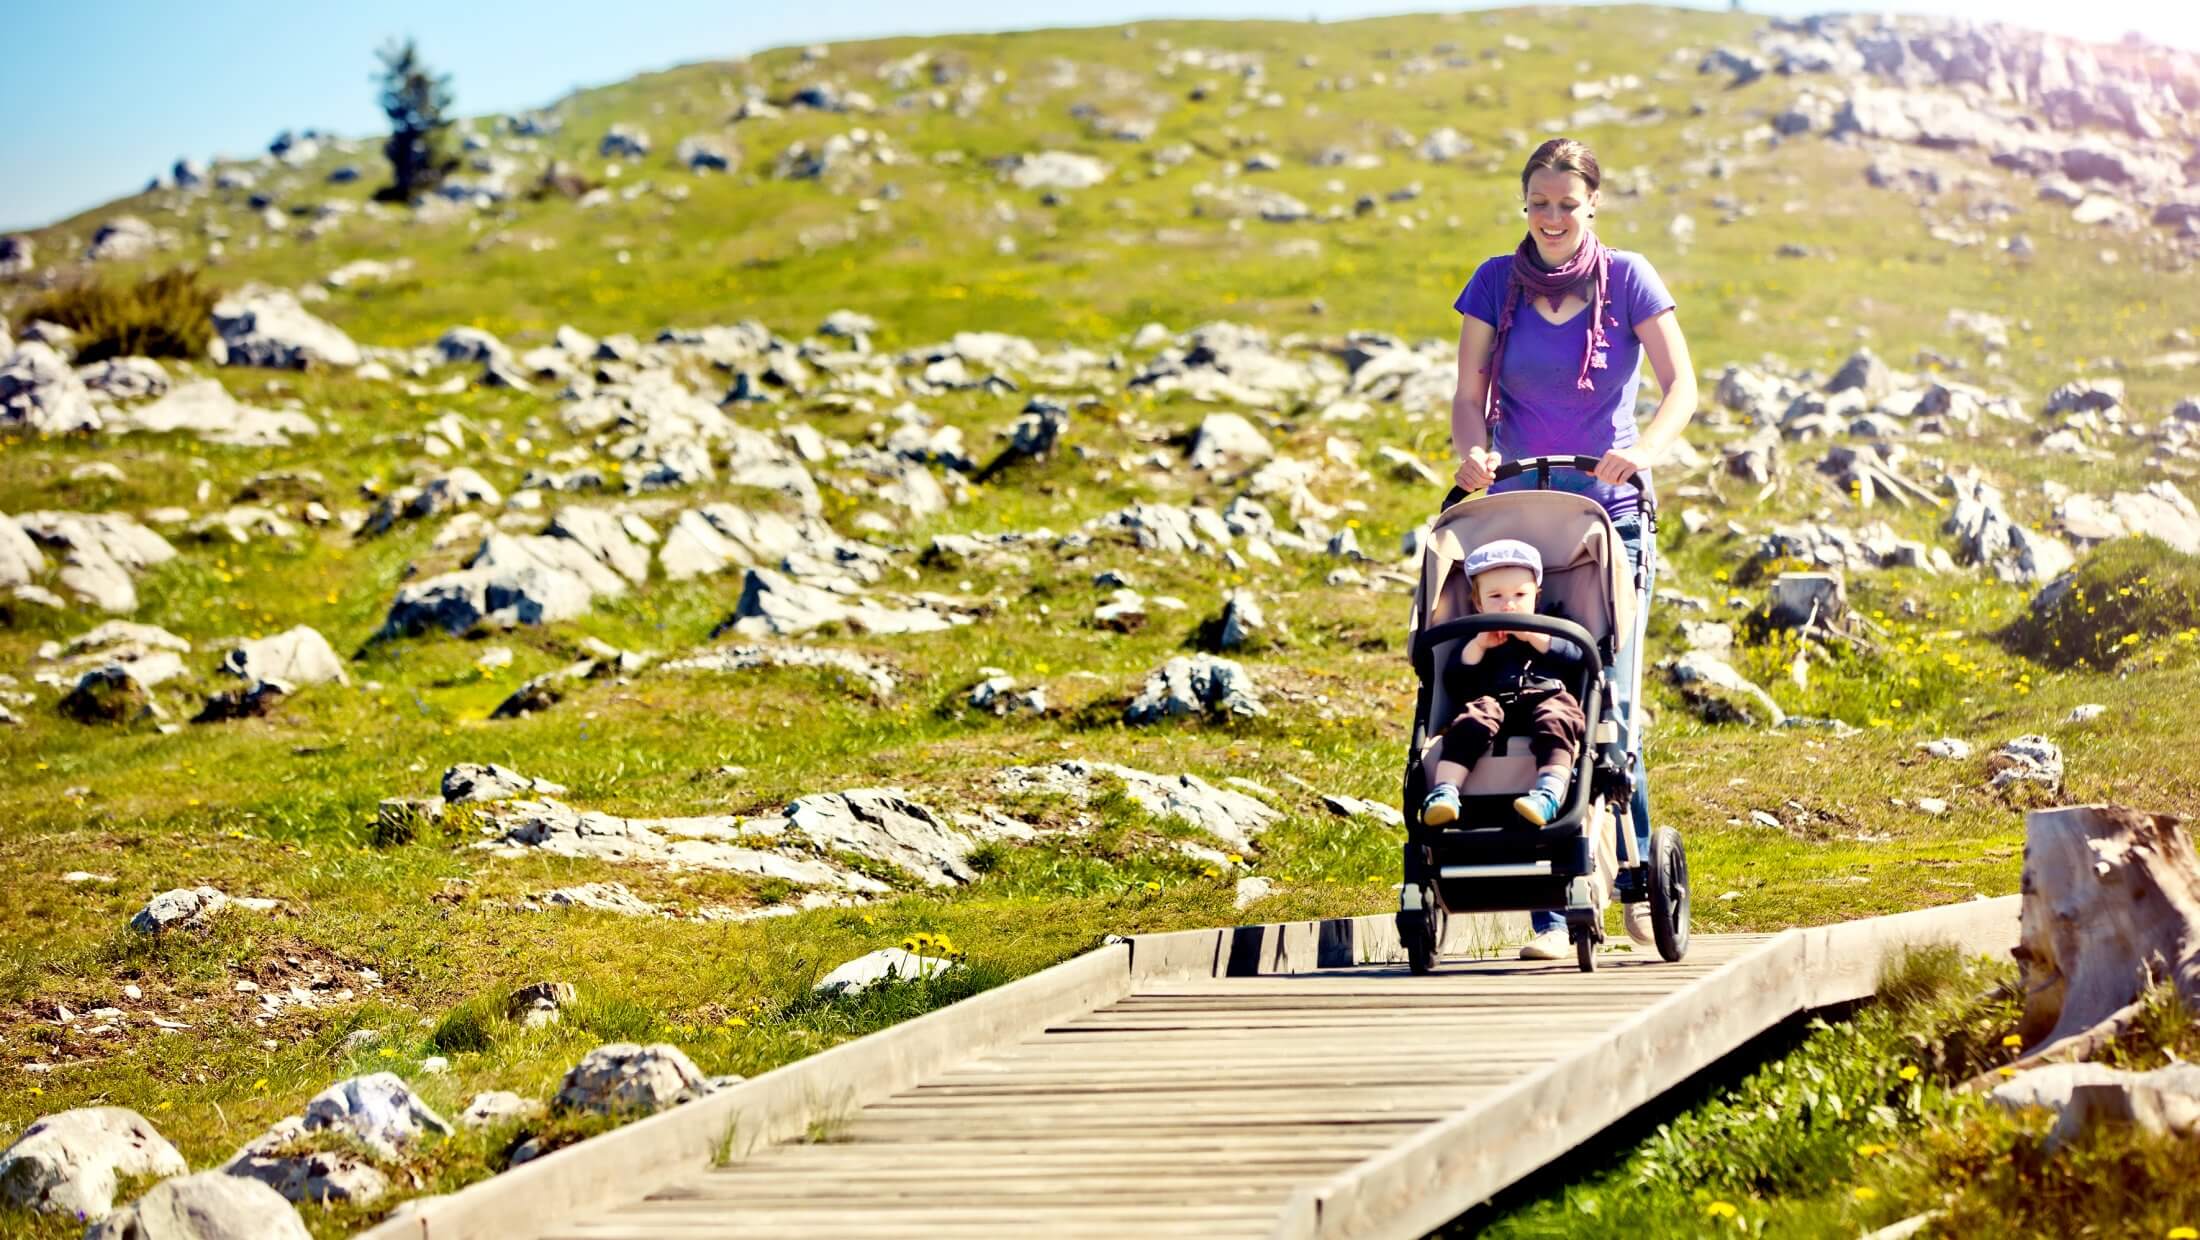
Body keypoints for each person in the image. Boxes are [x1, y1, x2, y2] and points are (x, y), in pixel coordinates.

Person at [1448, 136, 1699, 962]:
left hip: (1608, 514)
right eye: (1539, 204)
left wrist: (1645, 450)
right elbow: (1469, 392)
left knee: (1610, 702)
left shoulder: (1629, 279)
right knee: (1523, 691)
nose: (1551, 218)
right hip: (1519, 512)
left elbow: (1682, 387)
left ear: (1593, 204)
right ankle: (1550, 916)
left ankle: (1635, 877)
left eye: (1566, 204)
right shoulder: (1495, 282)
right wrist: (1471, 453)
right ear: (1524, 205)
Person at [1420, 539, 1587, 829]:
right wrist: (1478, 646)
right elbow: (1455, 682)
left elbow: (1578, 657)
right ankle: (1445, 792)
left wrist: (1534, 636)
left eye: (1520, 595)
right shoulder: (1476, 635)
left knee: (1559, 714)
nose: (1508, 604)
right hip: (1492, 707)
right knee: (1472, 717)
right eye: (1495, 596)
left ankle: (1548, 793)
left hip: (1544, 698)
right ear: (1478, 603)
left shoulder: (1554, 624)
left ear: (1536, 597)